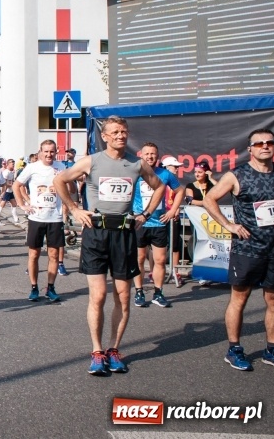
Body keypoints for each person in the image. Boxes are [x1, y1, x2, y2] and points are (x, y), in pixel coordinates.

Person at [53, 115, 165, 376]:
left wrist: (145, 215)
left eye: (123, 131)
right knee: (99, 295)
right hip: (96, 232)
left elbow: (159, 187)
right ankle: (96, 351)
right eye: (114, 132)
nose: (120, 136)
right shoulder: (92, 161)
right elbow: (60, 180)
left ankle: (114, 349)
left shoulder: (136, 163)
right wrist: (74, 209)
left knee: (123, 296)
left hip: (124, 233)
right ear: (104, 137)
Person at [203, 129, 274, 372]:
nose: (265, 146)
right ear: (250, 149)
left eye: (269, 142)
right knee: (240, 298)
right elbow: (209, 199)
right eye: (259, 143)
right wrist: (229, 225)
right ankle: (234, 349)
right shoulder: (237, 175)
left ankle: (272, 349)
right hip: (247, 248)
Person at [131, 143, 185, 308]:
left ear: (158, 156)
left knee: (160, 260)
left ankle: (158, 293)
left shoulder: (165, 174)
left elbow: (180, 191)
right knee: (139, 259)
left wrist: (172, 211)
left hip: (158, 223)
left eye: (153, 154)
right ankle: (139, 291)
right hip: (139, 223)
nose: (150, 157)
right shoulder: (135, 173)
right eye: (147, 154)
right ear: (141, 156)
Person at [14, 140, 67, 302]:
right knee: (34, 254)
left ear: (56, 152)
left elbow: (70, 188)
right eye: (46, 151)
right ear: (40, 152)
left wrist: (67, 181)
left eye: (52, 151)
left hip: (55, 217)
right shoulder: (32, 167)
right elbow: (16, 185)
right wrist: (23, 205)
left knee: (54, 254)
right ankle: (34, 287)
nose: (49, 154)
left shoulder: (61, 167)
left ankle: (50, 288)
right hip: (36, 217)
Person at [160, 156, 187, 287]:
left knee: (175, 244)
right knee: (157, 245)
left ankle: (175, 272)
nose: (177, 169)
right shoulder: (158, 179)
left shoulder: (175, 182)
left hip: (173, 216)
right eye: (175, 166)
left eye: (178, 167)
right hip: (160, 215)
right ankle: (155, 272)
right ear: (166, 167)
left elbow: (179, 196)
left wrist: (176, 209)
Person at [0, 159, 20, 225]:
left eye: (14, 164)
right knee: (2, 205)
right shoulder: (6, 172)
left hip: (10, 191)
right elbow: (4, 184)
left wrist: (13, 185)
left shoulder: (12, 172)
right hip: (6, 191)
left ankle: (16, 219)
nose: (13, 165)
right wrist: (12, 185)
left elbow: (11, 181)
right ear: (8, 164)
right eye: (12, 164)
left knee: (14, 204)